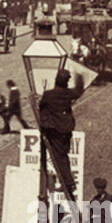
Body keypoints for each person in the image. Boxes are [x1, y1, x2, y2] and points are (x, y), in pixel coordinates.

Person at [38, 68, 79, 197]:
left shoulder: (49, 94)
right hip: (67, 129)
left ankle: (68, 183)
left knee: (59, 156)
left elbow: (41, 106)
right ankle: (69, 182)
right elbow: (78, 91)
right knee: (64, 155)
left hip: (56, 130)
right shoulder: (68, 93)